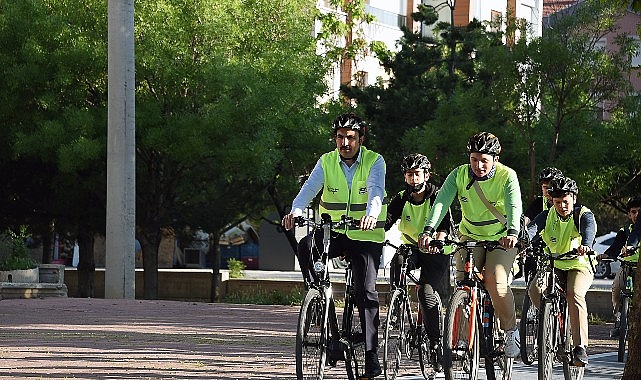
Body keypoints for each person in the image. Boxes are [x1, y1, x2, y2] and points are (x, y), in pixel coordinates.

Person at [281, 112, 386, 378]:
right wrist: (296, 210)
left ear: (360, 138)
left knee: (365, 292)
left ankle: (372, 356)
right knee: (306, 246)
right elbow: (309, 188)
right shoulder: (326, 162)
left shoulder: (375, 161)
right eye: (340, 137)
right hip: (335, 232)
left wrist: (371, 215)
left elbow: (376, 190)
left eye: (350, 137)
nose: (345, 143)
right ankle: (319, 300)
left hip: (365, 235)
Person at [417, 131, 523, 358]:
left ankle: (510, 331)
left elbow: (515, 206)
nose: (478, 166)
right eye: (474, 160)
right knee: (464, 282)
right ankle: (463, 339)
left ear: (496, 158)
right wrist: (428, 230)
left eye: (484, 161)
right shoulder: (459, 175)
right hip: (470, 236)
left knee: (496, 279)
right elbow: (441, 203)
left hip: (501, 238)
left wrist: (513, 231)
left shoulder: (507, 176)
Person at [385, 153, 452, 361]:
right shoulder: (401, 198)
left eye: (416, 174)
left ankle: (435, 343)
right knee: (398, 257)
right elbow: (386, 221)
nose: (413, 179)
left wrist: (437, 241)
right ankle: (396, 301)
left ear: (426, 175)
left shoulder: (437, 196)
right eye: (409, 175)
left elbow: (444, 226)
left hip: (436, 251)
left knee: (425, 293)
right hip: (413, 247)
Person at [526, 176, 596, 366]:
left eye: (565, 201)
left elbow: (589, 228)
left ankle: (580, 347)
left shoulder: (582, 214)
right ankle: (549, 319)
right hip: (554, 263)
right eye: (557, 202)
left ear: (573, 198)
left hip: (578, 264)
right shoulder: (547, 215)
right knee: (534, 289)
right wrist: (522, 240)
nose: (562, 206)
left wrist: (587, 245)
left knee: (574, 294)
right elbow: (532, 229)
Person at [597, 196, 641, 337]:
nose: (637, 215)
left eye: (639, 212)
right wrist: (606, 255)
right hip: (627, 266)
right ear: (629, 214)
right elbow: (615, 247)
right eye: (633, 212)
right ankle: (619, 319)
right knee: (616, 287)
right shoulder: (625, 230)